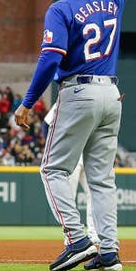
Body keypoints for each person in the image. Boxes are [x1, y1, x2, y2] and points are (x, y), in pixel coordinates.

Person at [14, 0, 130, 271]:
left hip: (78, 91)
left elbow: (51, 58)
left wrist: (28, 102)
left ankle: (78, 239)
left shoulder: (60, 8)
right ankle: (108, 251)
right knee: (101, 178)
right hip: (112, 93)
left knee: (53, 170)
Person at [44, 103, 97, 245]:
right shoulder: (67, 96)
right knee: (69, 196)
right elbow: (47, 122)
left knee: (93, 194)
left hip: (89, 156)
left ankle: (93, 233)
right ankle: (73, 236)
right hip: (70, 156)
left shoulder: (95, 97)